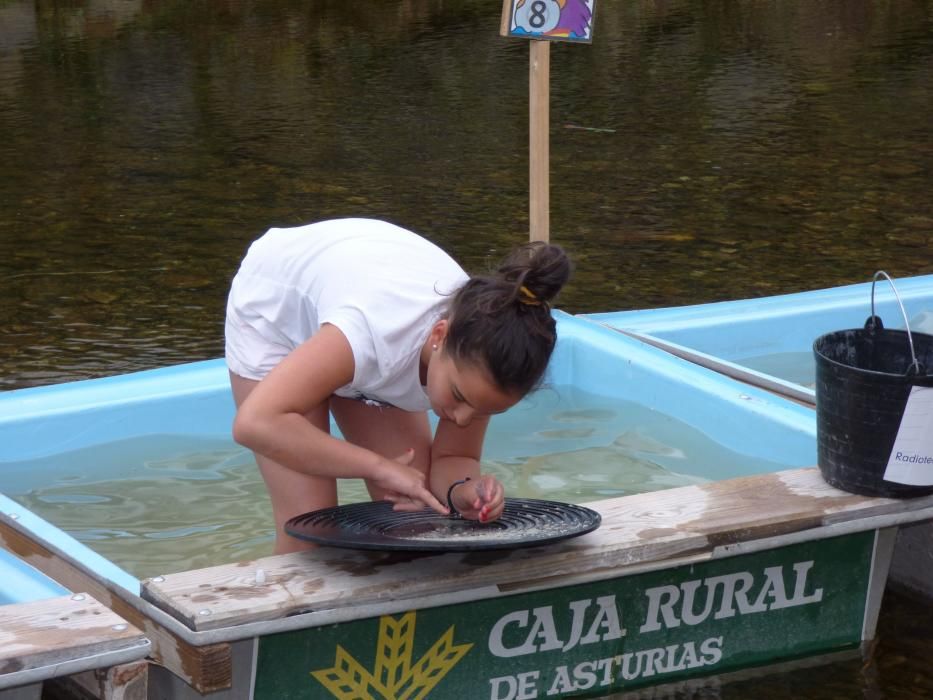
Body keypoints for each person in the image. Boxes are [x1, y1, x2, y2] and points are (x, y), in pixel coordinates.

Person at [224, 218, 572, 553]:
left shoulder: (486, 349)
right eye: (459, 397)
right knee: (310, 533)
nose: (464, 419)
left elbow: (455, 457)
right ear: (440, 335)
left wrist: (466, 492)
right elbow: (256, 424)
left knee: (418, 523)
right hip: (275, 305)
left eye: (484, 411)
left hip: (353, 301)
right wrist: (378, 466)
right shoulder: (372, 334)